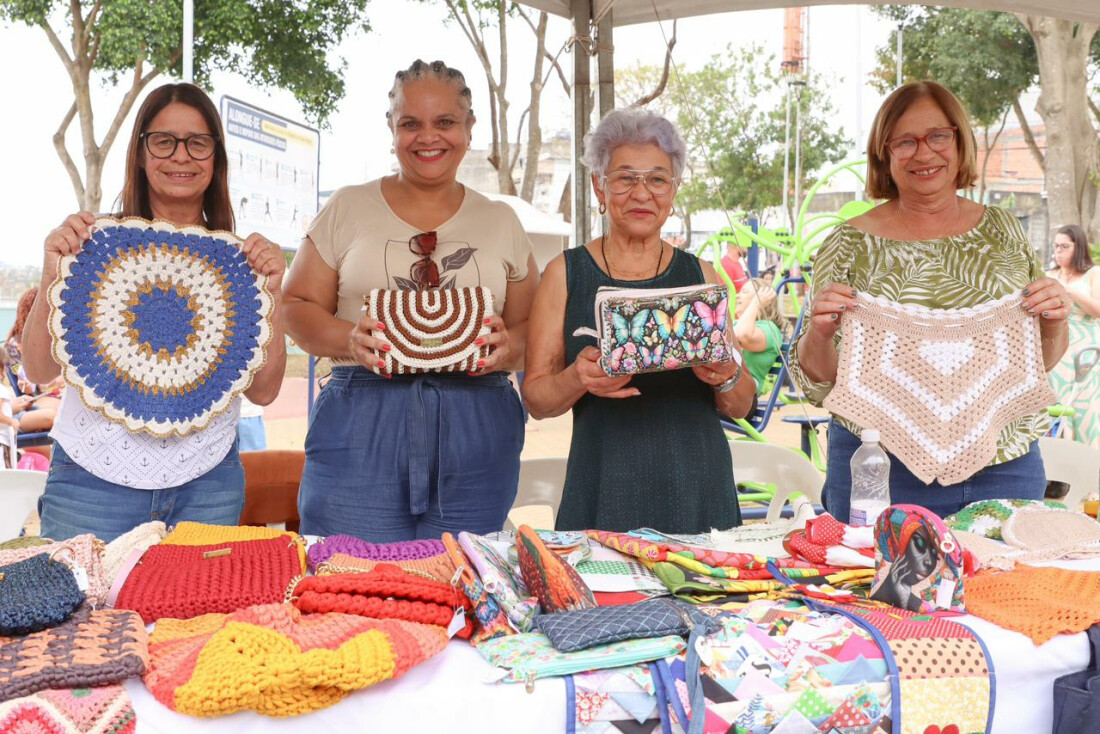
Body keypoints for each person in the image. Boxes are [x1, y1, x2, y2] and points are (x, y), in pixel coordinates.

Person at [789, 81, 1070, 522]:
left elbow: (1035, 363)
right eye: (905, 141)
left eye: (938, 136)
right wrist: (820, 334)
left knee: (1006, 589)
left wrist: (1054, 321)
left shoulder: (1005, 232)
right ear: (885, 153)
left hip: (1005, 463)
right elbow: (824, 378)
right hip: (879, 468)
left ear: (959, 140)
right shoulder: (847, 244)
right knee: (872, 590)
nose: (924, 153)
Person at [282, 60, 539, 541]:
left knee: (462, 586)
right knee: (346, 579)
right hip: (361, 421)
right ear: (391, 128)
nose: (428, 137)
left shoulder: (501, 220)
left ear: (468, 128)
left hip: (478, 427)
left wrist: (511, 347)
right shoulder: (348, 206)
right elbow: (293, 306)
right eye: (410, 124)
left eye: (444, 122)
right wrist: (349, 339)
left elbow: (535, 328)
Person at [21, 83, 287, 542]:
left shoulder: (241, 265)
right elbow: (38, 368)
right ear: (141, 153)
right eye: (163, 140)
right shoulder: (91, 249)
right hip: (91, 481)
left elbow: (264, 392)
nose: (180, 156)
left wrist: (273, 293)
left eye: (197, 142)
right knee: (78, 614)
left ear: (215, 157)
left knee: (194, 615)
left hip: (208, 484)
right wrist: (52, 276)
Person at [522, 108, 756, 534]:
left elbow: (741, 404)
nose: (642, 193)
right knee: (604, 601)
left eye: (657, 179)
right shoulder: (565, 274)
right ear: (599, 186)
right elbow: (537, 399)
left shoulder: (700, 275)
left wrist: (725, 374)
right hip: (603, 485)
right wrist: (578, 378)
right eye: (625, 178)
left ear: (674, 190)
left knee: (704, 601)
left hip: (698, 490)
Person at [1047, 224, 1100, 448]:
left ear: (1077, 248)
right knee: (1055, 406)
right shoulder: (1049, 274)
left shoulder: (1092, 274)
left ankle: (1088, 461)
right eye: (1056, 246)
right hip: (1057, 345)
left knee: (1084, 406)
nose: (1059, 251)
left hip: (1086, 348)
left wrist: (1070, 290)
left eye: (1065, 247)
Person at [3, 287, 60, 434]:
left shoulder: (47, 342)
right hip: (31, 402)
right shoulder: (14, 346)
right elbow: (31, 386)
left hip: (41, 399)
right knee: (62, 413)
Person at [734, 277, 786, 394]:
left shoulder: (769, 328)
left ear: (763, 299)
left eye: (744, 292)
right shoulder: (736, 324)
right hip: (724, 390)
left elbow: (743, 336)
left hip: (742, 397)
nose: (737, 295)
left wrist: (756, 304)